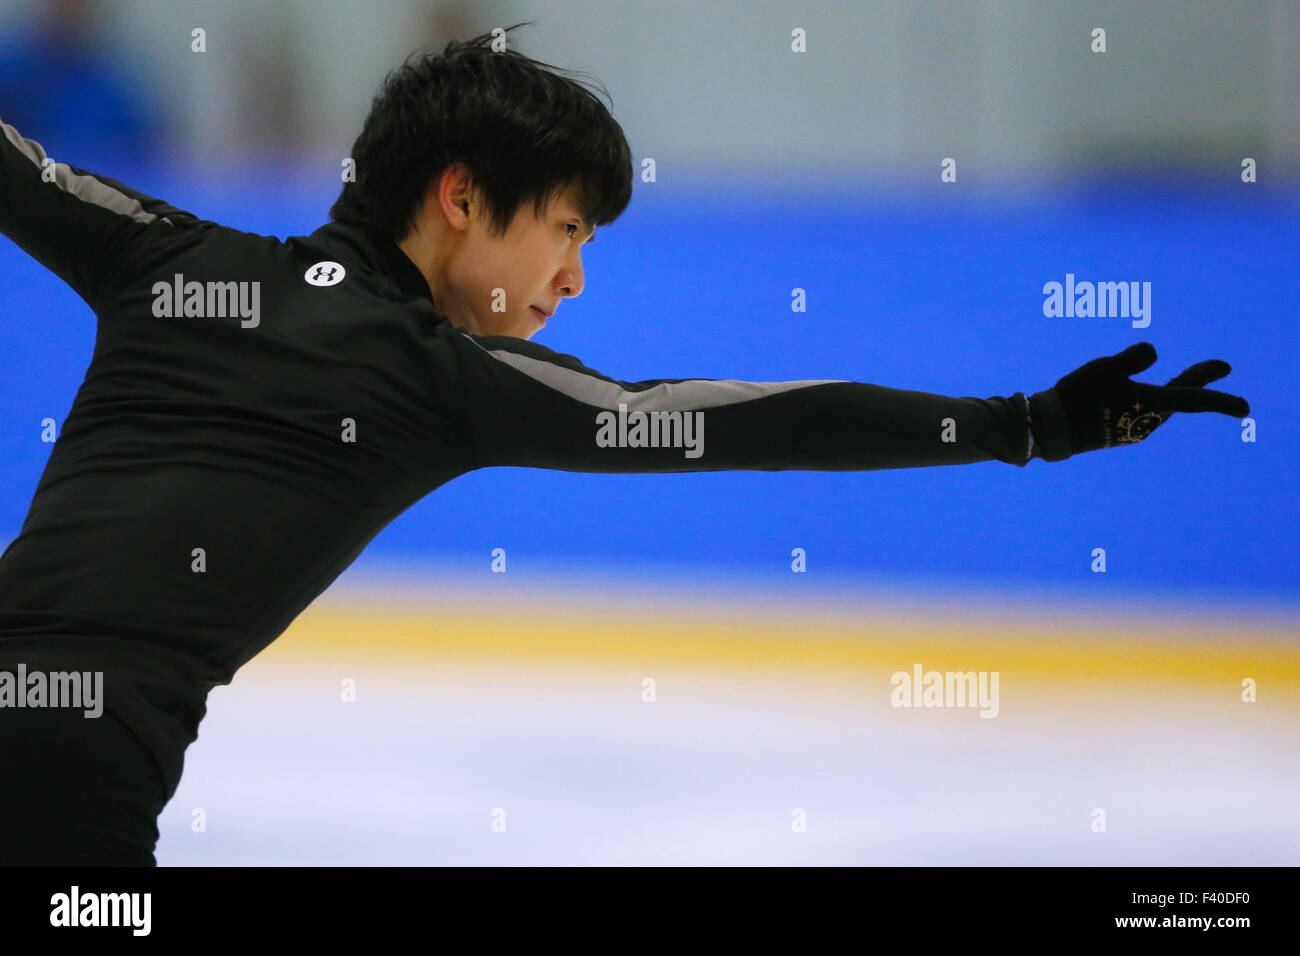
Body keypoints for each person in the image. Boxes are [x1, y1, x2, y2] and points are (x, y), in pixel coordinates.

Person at [0, 24, 1250, 866]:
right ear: (458, 197)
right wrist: (1021, 427)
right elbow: (745, 420)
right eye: (565, 228)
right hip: (79, 768)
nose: (573, 278)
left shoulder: (170, 258)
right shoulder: (449, 377)